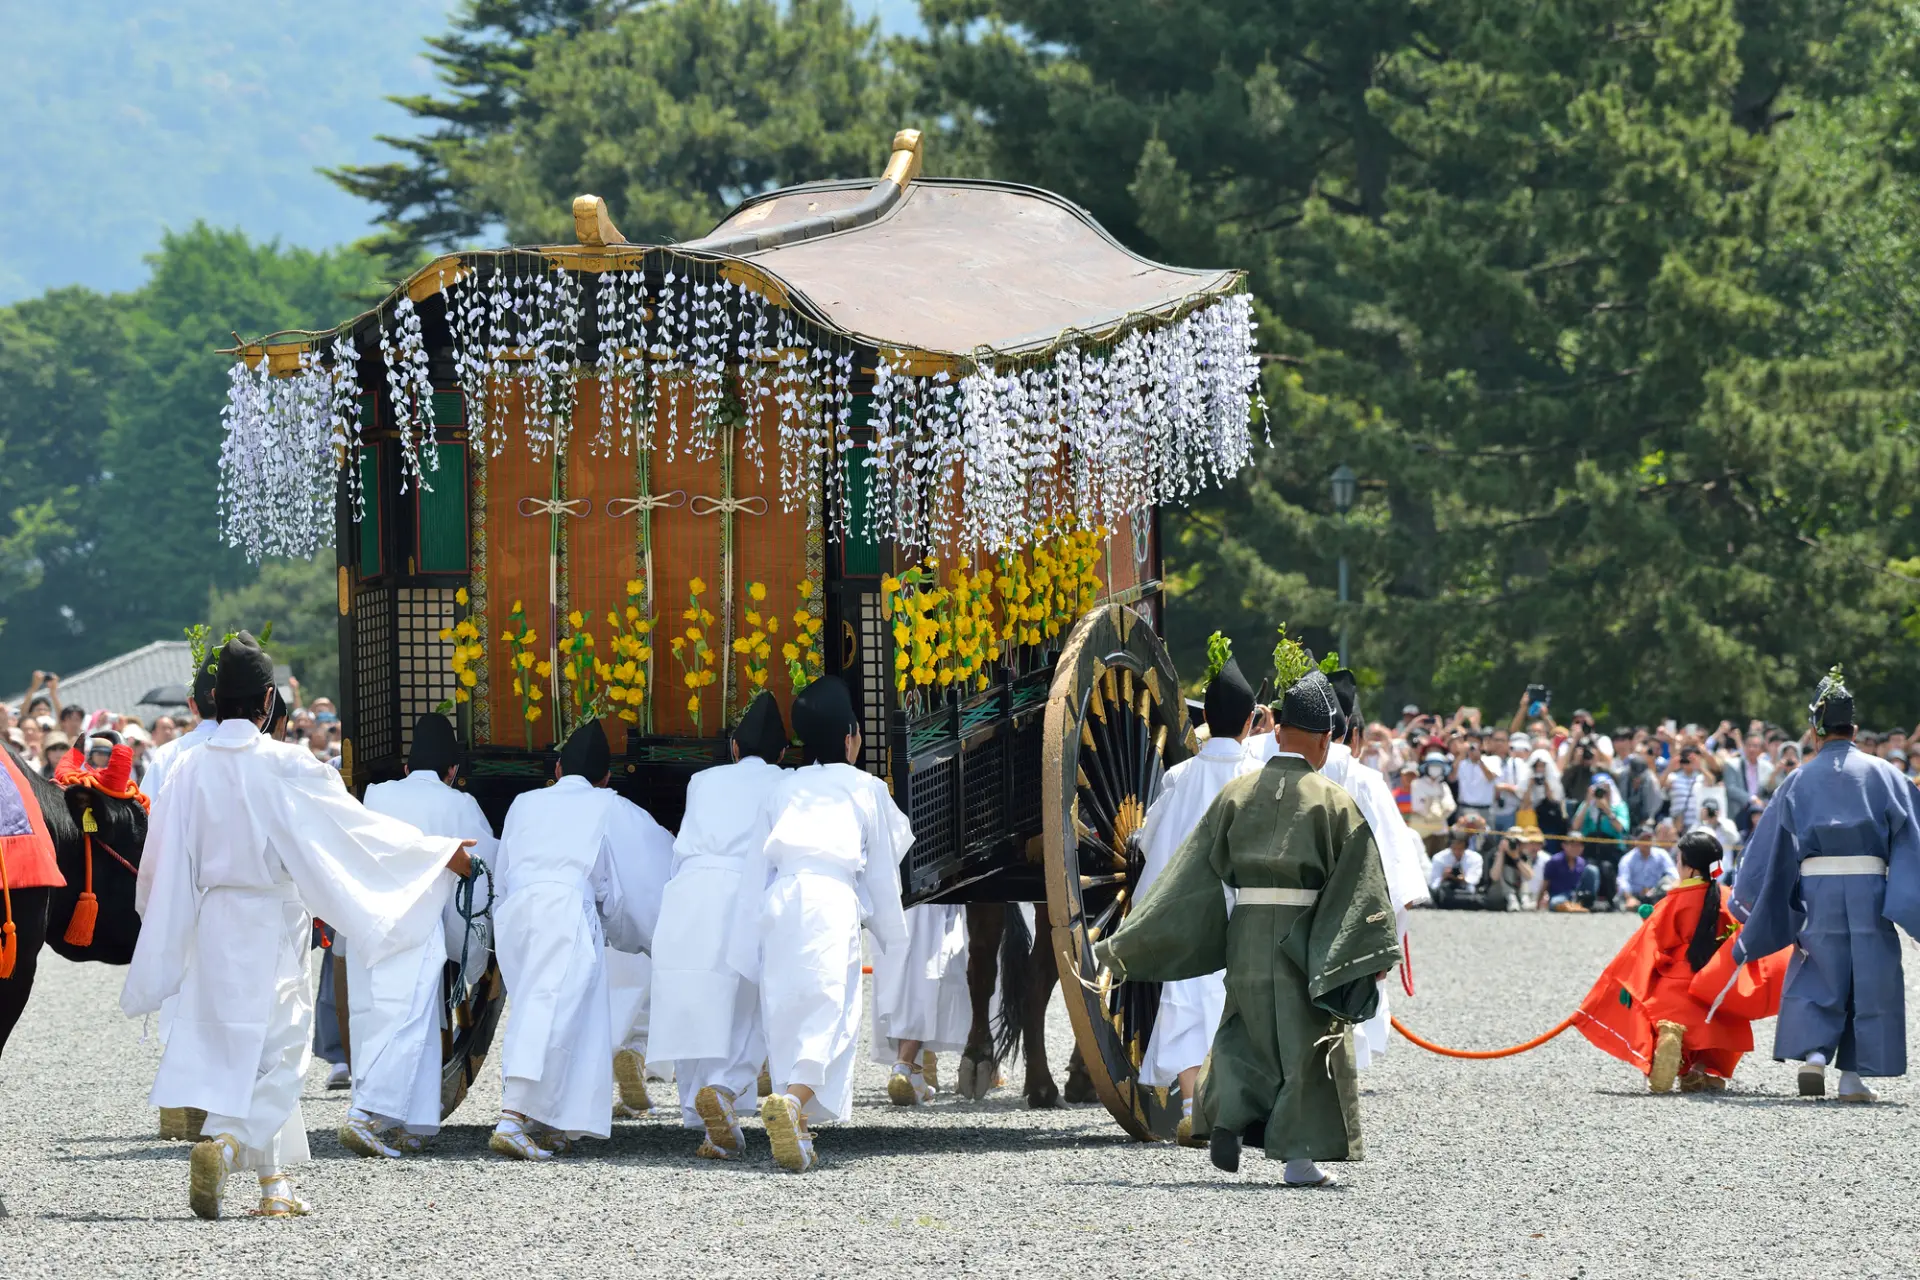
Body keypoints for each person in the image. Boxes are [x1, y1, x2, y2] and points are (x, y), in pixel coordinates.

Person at [120, 632, 476, 1220]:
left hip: (212, 920)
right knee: (281, 1054)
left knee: (237, 1050)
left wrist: (169, 929)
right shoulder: (285, 764)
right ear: (267, 702)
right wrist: (435, 853)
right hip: (268, 920)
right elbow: (356, 832)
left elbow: (157, 865)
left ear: (214, 698)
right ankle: (228, 1142)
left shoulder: (185, 768)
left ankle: (273, 1183)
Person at [1091, 663, 1400, 1188]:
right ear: (1326, 740)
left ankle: (1228, 1119)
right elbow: (1358, 885)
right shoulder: (1334, 802)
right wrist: (1366, 953)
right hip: (1303, 936)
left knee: (1243, 1033)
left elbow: (1188, 875)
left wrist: (1130, 943)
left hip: (1247, 931)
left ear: (1278, 732)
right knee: (1306, 1040)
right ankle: (1299, 1161)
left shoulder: (1236, 794)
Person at [725, 676, 912, 1173]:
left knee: (786, 1007)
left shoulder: (783, 788)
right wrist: (891, 931)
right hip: (830, 898)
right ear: (852, 737)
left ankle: (799, 1127)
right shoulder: (866, 787)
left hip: (780, 900)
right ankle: (791, 1101)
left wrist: (747, 942)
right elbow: (884, 860)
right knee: (832, 1010)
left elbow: (753, 871)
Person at [1728, 667, 1920, 1103]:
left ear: (1816, 729)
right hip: (1872, 888)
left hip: (1818, 890)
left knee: (1818, 966)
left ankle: (1815, 1054)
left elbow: (1770, 848)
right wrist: (1908, 899)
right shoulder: (1887, 774)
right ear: (1853, 728)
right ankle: (1852, 1075)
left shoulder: (1798, 778)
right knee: (1870, 976)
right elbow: (1913, 839)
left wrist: (1760, 900)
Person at [489, 720, 672, 1159]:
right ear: (606, 778)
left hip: (518, 912)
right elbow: (649, 870)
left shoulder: (524, 802)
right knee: (550, 1009)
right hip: (564, 909)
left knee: (573, 1014)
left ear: (556, 769)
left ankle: (553, 1121)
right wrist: (643, 933)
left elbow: (505, 865)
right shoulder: (608, 806)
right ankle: (513, 1116)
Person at [341, 713, 499, 1159]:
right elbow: (484, 871)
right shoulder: (458, 805)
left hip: (369, 921)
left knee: (381, 1014)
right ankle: (365, 1115)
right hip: (417, 923)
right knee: (408, 1019)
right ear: (452, 772)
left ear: (407, 767)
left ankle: (414, 1123)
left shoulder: (376, 794)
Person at [1133, 635, 1264, 1145]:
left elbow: (1151, 842)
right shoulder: (1259, 776)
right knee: (1239, 1007)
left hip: (1192, 910)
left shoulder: (1180, 776)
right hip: (1248, 913)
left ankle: (1190, 1102)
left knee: (1185, 1000)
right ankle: (1229, 1106)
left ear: (1201, 718)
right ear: (1252, 721)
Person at [647, 692, 788, 1158]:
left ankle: (703, 1112)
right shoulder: (787, 782)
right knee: (749, 1005)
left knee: (696, 1001)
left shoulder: (701, 780)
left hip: (687, 889)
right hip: (741, 889)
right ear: (783, 754)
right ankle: (723, 1092)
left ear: (733, 748)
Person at [1577, 831, 1787, 1092]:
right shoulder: (1728, 899)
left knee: (1651, 998)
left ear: (1687, 867)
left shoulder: (1673, 901)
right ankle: (1702, 1070)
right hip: (1716, 992)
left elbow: (1652, 946)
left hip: (1674, 996)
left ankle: (1674, 1054)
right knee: (1722, 1027)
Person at [1616, 823, 1679, 909]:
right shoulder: (1627, 859)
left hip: (1655, 894)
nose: (1646, 843)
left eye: (1649, 839)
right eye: (1643, 839)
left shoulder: (1661, 854)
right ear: (1636, 841)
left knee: (1668, 881)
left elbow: (1672, 872)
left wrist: (1676, 885)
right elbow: (1623, 880)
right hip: (1635, 895)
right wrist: (1629, 898)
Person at [1409, 751, 1456, 852]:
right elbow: (1417, 806)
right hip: (1423, 831)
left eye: (1438, 766)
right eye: (1433, 766)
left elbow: (1450, 806)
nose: (1435, 768)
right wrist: (1432, 809)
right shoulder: (1417, 784)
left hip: (1441, 830)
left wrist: (1438, 812)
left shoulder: (1443, 786)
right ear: (1426, 767)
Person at [1428, 826, 1484, 909]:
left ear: (1466, 847)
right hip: (1444, 890)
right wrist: (1444, 877)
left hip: (1466, 891)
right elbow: (1434, 884)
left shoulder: (1475, 858)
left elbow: (1474, 881)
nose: (1457, 852)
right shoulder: (1439, 858)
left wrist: (1463, 879)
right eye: (1454, 848)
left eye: (1460, 849)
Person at [1538, 836, 1598, 912]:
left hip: (1577, 894)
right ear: (1564, 845)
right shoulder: (1554, 861)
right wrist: (1538, 902)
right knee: (1555, 902)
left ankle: (1588, 903)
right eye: (1572, 845)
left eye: (1579, 845)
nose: (1576, 848)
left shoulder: (1582, 862)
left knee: (1592, 869)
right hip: (1559, 895)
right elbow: (1546, 882)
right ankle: (1576, 907)